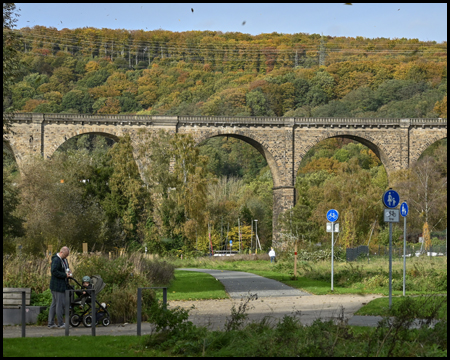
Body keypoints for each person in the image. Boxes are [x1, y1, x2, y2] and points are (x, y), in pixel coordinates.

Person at [48, 246, 72, 329]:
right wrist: (64, 275)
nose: (66, 257)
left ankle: (51, 323)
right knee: (59, 304)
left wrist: (69, 272)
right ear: (61, 252)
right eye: (65, 255)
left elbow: (66, 268)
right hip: (57, 286)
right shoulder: (56, 260)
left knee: (54, 304)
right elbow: (54, 271)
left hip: (62, 284)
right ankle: (60, 323)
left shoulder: (64, 260)